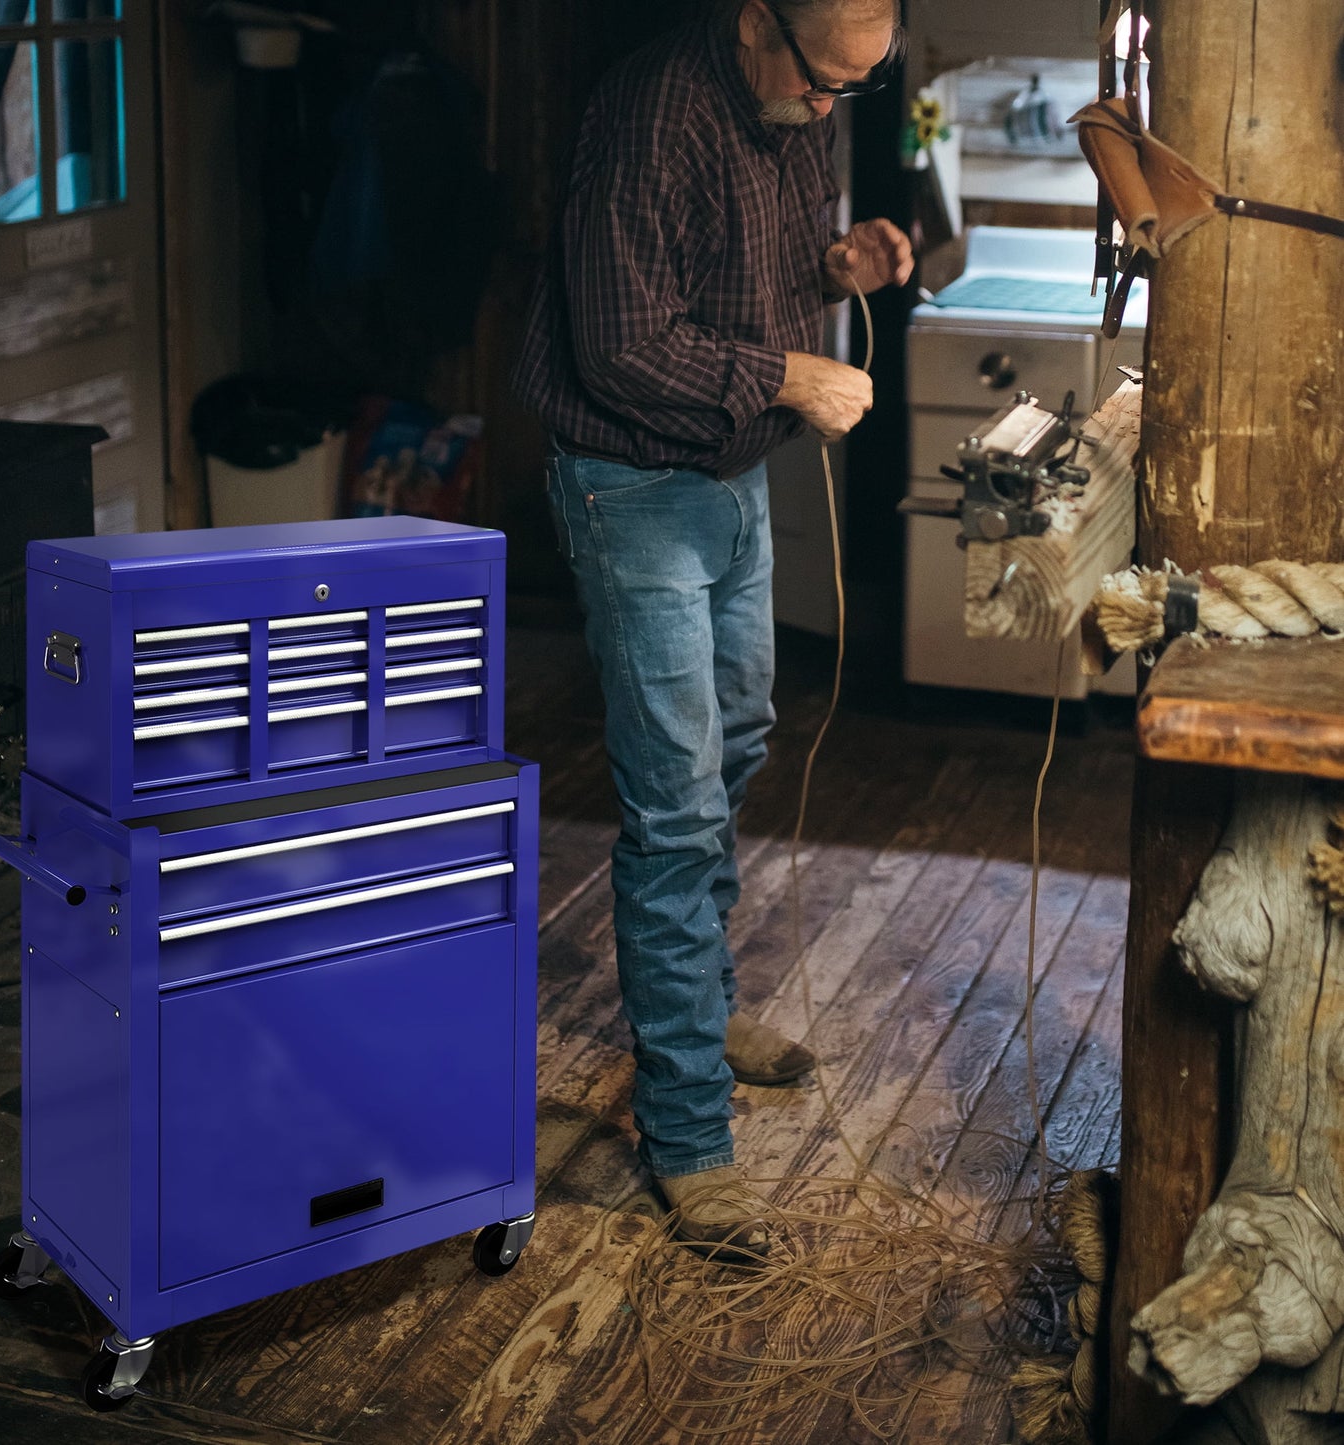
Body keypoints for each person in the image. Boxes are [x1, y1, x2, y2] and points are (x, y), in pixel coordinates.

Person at [513, 0, 913, 1260]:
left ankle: (699, 997)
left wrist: (837, 267)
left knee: (737, 732)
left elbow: (748, 272)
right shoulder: (650, 117)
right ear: (757, 25)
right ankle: (685, 1129)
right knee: (676, 805)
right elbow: (622, 345)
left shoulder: (796, 101)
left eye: (857, 85)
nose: (829, 108)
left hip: (729, 475)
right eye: (822, 82)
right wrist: (791, 376)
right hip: (628, 482)